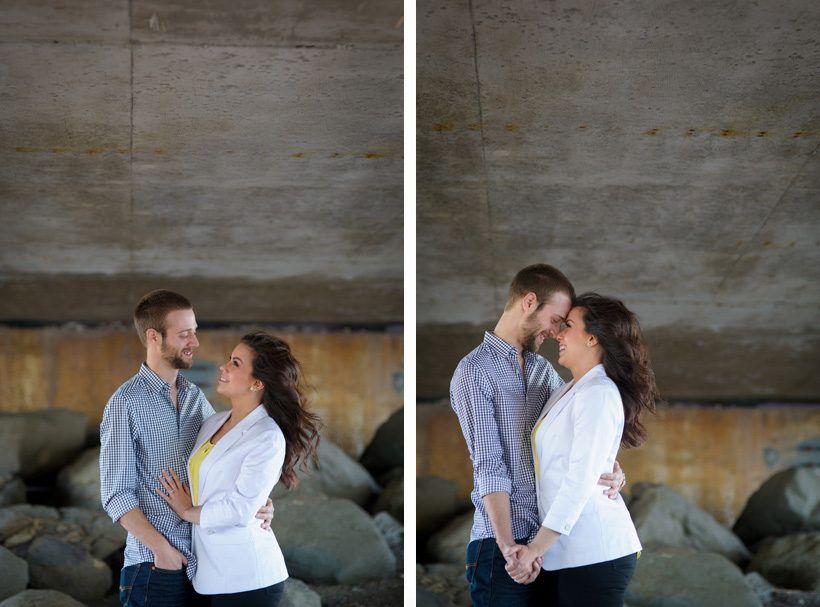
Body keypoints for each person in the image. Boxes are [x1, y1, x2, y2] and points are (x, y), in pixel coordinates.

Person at [450, 264, 626, 606]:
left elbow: (581, 438)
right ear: (529, 302)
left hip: (546, 547)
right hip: (501, 545)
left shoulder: (545, 372)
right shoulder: (474, 371)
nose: (557, 332)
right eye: (556, 320)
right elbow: (489, 465)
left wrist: (613, 472)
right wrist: (508, 546)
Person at [100, 290, 273, 607]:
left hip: (201, 566)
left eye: (194, 331)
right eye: (184, 334)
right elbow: (116, 495)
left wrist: (257, 501)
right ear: (154, 337)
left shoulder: (195, 397)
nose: (195, 342)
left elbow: (223, 462)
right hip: (154, 567)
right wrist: (161, 550)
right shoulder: (125, 403)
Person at [506, 293, 658, 606]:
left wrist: (535, 549)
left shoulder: (598, 392)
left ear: (592, 338)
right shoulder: (567, 390)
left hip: (596, 551)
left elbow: (580, 478)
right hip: (565, 554)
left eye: (569, 326)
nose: (558, 334)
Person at [156, 331, 321, 607]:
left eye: (235, 363)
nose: (223, 367)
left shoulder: (267, 436)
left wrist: (187, 512)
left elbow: (240, 509)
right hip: (207, 573)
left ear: (257, 382)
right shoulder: (213, 422)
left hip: (247, 577)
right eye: (229, 359)